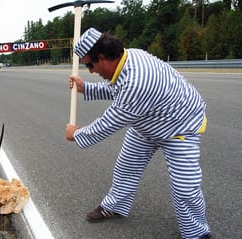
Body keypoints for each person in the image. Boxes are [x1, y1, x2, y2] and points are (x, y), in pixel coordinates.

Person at [65, 28, 211, 239]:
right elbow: (117, 89)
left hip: (178, 125)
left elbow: (109, 122)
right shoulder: (127, 58)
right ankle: (114, 206)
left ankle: (197, 233)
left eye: (90, 64)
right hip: (147, 121)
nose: (90, 70)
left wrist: (77, 134)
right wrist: (86, 88)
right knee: (125, 167)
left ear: (103, 57)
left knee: (185, 187)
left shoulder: (137, 81)